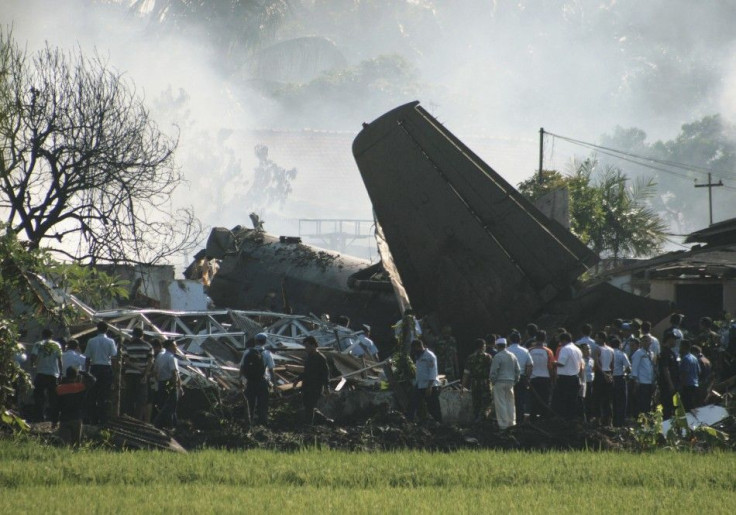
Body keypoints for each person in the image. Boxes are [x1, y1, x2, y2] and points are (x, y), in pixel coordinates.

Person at [84, 322, 117, 424]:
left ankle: (93, 419)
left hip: (94, 368)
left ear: (97, 329)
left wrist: (86, 372)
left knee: (93, 394)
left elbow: (87, 358)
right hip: (106, 368)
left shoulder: (91, 341)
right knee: (104, 395)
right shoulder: (110, 341)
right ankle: (103, 419)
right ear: (107, 330)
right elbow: (114, 355)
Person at [240, 332, 276, 426]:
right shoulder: (267, 353)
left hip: (250, 382)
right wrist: (275, 384)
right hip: (262, 381)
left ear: (255, 341)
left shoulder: (247, 352)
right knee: (263, 404)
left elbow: (242, 367)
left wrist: (241, 380)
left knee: (250, 403)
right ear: (265, 341)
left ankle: (249, 423)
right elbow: (271, 370)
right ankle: (262, 424)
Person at [30, 329, 63, 425]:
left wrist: (33, 365)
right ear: (51, 335)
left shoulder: (38, 344)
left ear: (42, 335)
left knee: (39, 396)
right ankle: (54, 418)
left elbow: (33, 356)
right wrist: (60, 373)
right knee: (53, 397)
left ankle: (39, 417)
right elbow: (60, 359)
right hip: (53, 374)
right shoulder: (57, 345)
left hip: (41, 373)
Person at [56, 367, 96, 446]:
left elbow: (55, 406)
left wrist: (54, 420)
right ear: (76, 376)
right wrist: (83, 372)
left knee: (63, 444)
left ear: (66, 376)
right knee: (76, 444)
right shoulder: (80, 387)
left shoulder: (59, 388)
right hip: (77, 418)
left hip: (64, 418)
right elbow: (93, 380)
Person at [120, 327, 154, 420]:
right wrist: (145, 374)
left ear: (133, 335)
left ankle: (128, 418)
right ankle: (138, 419)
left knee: (129, 397)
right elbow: (150, 361)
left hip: (130, 375)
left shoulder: (127, 346)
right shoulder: (148, 346)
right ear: (142, 335)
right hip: (142, 376)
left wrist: (136, 367)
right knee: (141, 399)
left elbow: (126, 361)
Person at [407, 339, 442, 423]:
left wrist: (429, 387)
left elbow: (433, 372)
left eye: (414, 349)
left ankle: (439, 424)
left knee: (433, 407)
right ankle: (409, 422)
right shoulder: (418, 356)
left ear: (419, 347)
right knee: (412, 404)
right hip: (419, 385)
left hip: (430, 386)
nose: (414, 351)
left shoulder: (430, 356)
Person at [299, 336, 330, 424]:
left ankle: (309, 425)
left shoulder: (320, 358)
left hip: (315, 386)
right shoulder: (309, 357)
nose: (306, 348)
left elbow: (325, 373)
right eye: (305, 346)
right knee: (307, 405)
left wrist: (327, 387)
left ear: (314, 345)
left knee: (310, 406)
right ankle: (317, 421)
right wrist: (298, 379)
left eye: (307, 346)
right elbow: (306, 371)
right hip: (307, 385)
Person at [490, 338, 520, 429]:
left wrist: (493, 381)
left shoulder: (498, 356)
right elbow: (518, 370)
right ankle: (512, 423)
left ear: (497, 346)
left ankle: (503, 425)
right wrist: (515, 381)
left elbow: (494, 371)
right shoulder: (512, 355)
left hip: (499, 381)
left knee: (500, 403)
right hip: (510, 382)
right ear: (506, 345)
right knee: (510, 402)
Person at [153, 340, 183, 429]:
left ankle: (172, 425)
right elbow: (174, 373)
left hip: (161, 383)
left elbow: (155, 372)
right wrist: (178, 386)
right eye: (175, 346)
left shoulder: (160, 356)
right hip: (170, 384)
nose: (176, 348)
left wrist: (159, 380)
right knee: (171, 407)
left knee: (164, 405)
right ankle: (169, 426)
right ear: (170, 346)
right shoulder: (171, 358)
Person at [461, 338, 493, 422]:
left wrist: (462, 386)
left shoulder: (470, 358)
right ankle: (483, 419)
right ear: (483, 346)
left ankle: (476, 420)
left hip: (474, 383)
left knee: (476, 403)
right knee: (486, 403)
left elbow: (466, 373)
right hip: (485, 383)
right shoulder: (488, 357)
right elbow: (492, 372)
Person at [554, 332, 584, 420]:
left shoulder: (565, 349)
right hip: (575, 377)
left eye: (560, 341)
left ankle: (564, 419)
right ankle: (573, 419)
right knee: (573, 401)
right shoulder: (577, 349)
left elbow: (561, 363)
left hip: (565, 378)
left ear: (564, 340)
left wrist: (553, 363)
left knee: (563, 400)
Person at [528, 330, 555, 420]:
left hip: (533, 378)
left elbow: (528, 365)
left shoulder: (530, 350)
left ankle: (533, 417)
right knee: (545, 399)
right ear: (545, 339)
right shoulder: (549, 351)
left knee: (533, 399)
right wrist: (552, 378)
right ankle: (544, 418)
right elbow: (550, 366)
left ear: (535, 338)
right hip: (545, 378)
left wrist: (528, 377)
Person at [507, 330, 533, 423]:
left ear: (509, 340)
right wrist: (527, 377)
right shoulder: (525, 351)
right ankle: (520, 420)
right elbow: (530, 365)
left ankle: (510, 420)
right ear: (520, 340)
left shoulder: (506, 351)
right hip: (521, 377)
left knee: (509, 400)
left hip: (508, 378)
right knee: (520, 400)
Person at [630, 335, 655, 418]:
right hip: (642, 382)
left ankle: (646, 420)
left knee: (648, 403)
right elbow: (634, 368)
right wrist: (636, 381)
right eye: (644, 341)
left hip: (649, 381)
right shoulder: (638, 353)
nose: (646, 343)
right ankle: (639, 420)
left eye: (648, 341)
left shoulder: (651, 353)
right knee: (641, 403)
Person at [658, 331, 680, 419]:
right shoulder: (665, 353)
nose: (675, 342)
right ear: (669, 339)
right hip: (667, 385)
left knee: (673, 407)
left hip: (673, 384)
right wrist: (670, 384)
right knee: (667, 407)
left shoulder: (672, 353)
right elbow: (665, 369)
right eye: (674, 339)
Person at [610, 337, 631, 427]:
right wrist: (626, 374)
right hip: (619, 378)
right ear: (620, 345)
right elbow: (628, 368)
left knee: (611, 401)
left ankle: (611, 421)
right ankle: (620, 422)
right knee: (621, 401)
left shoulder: (608, 352)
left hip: (610, 378)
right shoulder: (622, 354)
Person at [595, 332, 614, 426]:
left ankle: (599, 419)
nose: (595, 340)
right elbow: (612, 364)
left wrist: (603, 374)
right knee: (608, 399)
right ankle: (609, 421)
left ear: (602, 339)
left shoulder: (598, 349)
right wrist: (610, 374)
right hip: (609, 373)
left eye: (597, 338)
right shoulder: (611, 349)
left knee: (598, 398)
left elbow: (596, 363)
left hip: (601, 374)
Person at [679, 340, 700, 411]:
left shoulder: (685, 359)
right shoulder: (694, 358)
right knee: (693, 406)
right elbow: (699, 371)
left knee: (686, 407)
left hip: (687, 386)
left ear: (684, 347)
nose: (679, 348)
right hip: (695, 385)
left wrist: (681, 386)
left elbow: (684, 373)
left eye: (680, 346)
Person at [580, 343, 595, 421]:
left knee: (590, 401)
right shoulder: (580, 360)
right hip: (583, 383)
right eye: (586, 349)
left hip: (590, 382)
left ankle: (589, 418)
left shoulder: (592, 360)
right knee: (583, 401)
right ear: (582, 350)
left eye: (589, 349)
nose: (588, 350)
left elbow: (592, 371)